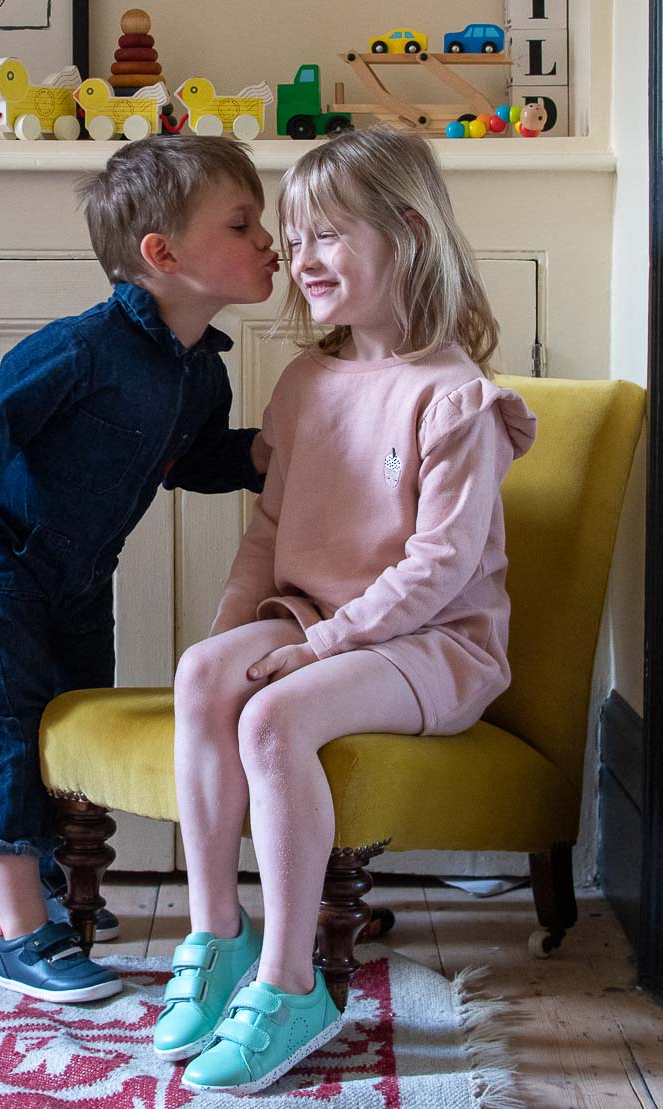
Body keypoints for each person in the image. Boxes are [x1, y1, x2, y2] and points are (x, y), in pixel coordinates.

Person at [155, 126, 536, 1094]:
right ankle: (218, 936)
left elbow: (442, 566)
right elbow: (267, 530)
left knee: (278, 713)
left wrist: (318, 646)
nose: (300, 257)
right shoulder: (305, 382)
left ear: (406, 234)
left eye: (327, 234)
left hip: (434, 644)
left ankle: (293, 987)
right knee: (207, 677)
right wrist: (234, 635)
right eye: (294, 235)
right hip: (316, 615)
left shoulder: (455, 398)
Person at [0, 136, 280, 1006]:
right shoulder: (81, 348)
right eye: (242, 223)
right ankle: (19, 932)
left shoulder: (198, 374)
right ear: (163, 253)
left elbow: (189, 462)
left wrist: (261, 453)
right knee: (4, 730)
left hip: (79, 579)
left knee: (69, 733)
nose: (270, 241)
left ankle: (54, 887)